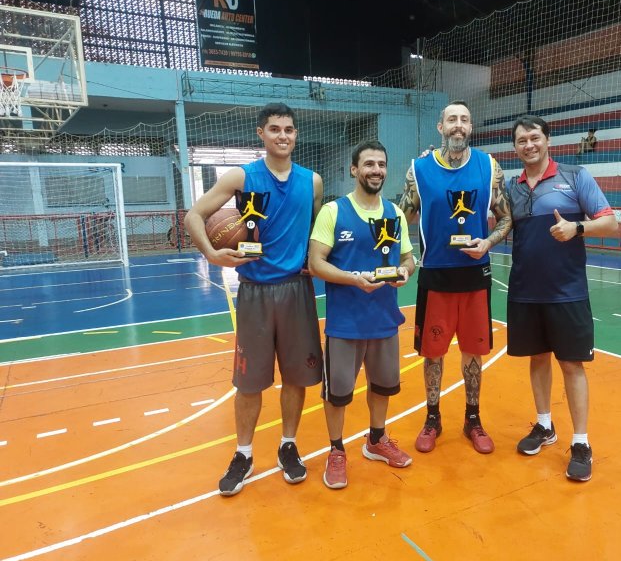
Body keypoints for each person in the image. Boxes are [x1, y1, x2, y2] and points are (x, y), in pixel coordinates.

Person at [184, 102, 323, 496]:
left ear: (296, 135)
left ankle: (288, 446)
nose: (283, 135)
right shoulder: (241, 176)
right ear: (260, 133)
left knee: (297, 377)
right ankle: (243, 453)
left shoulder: (312, 181)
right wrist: (212, 255)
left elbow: (315, 229)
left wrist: (314, 259)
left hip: (297, 290)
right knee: (249, 382)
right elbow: (194, 215)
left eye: (289, 129)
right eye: (275, 129)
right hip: (255, 292)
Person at [506, 115, 618, 482]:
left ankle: (582, 442)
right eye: (522, 141)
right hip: (525, 291)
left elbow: (610, 221)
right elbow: (501, 225)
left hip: (567, 292)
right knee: (537, 359)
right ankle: (544, 426)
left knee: (571, 365)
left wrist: (577, 227)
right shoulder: (513, 187)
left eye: (534, 138)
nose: (529, 145)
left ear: (547, 140)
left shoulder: (575, 177)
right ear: (515, 147)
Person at [399, 100, 511, 454]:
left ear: (471, 126)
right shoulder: (417, 169)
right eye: (452, 120)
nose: (458, 125)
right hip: (436, 275)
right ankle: (433, 418)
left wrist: (489, 242)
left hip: (475, 274)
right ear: (440, 127)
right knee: (433, 354)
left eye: (464, 119)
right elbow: (402, 218)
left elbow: (506, 218)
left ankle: (472, 419)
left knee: (473, 353)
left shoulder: (490, 167)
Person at [308, 140, 416, 489]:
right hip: (345, 323)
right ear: (354, 169)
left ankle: (376, 440)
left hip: (384, 319)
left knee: (382, 387)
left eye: (381, 164)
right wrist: (354, 279)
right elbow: (316, 263)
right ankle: (337, 450)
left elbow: (407, 258)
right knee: (337, 394)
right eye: (368, 164)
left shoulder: (395, 213)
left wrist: (405, 272)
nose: (376, 170)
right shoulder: (333, 211)